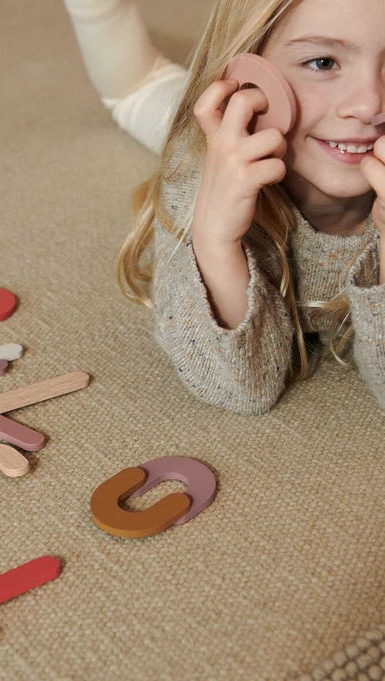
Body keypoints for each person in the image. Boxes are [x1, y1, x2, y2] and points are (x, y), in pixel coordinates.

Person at [64, 0, 385, 414]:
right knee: (139, 90)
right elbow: (240, 388)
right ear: (249, 75)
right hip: (241, 136)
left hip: (309, 136)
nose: (367, 105)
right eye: (323, 62)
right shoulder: (200, 171)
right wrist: (215, 239)